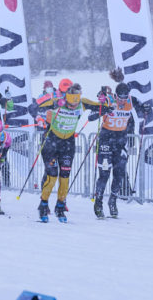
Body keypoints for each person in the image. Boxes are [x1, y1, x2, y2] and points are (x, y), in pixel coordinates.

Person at [35, 82, 106, 222]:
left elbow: (103, 108)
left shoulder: (82, 103)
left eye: (76, 104)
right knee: (52, 176)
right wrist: (52, 102)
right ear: (66, 98)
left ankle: (60, 207)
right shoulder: (57, 102)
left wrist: (104, 101)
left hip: (67, 144)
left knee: (65, 178)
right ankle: (43, 205)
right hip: (51, 142)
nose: (73, 106)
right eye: (70, 104)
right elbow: (35, 106)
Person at [92, 73, 141, 219]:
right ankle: (98, 202)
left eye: (125, 97)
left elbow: (144, 107)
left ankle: (112, 200)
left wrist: (145, 108)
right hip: (106, 139)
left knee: (119, 174)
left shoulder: (131, 101)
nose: (122, 101)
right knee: (105, 173)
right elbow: (92, 116)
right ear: (116, 95)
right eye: (120, 97)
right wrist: (103, 109)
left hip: (120, 141)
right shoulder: (109, 99)